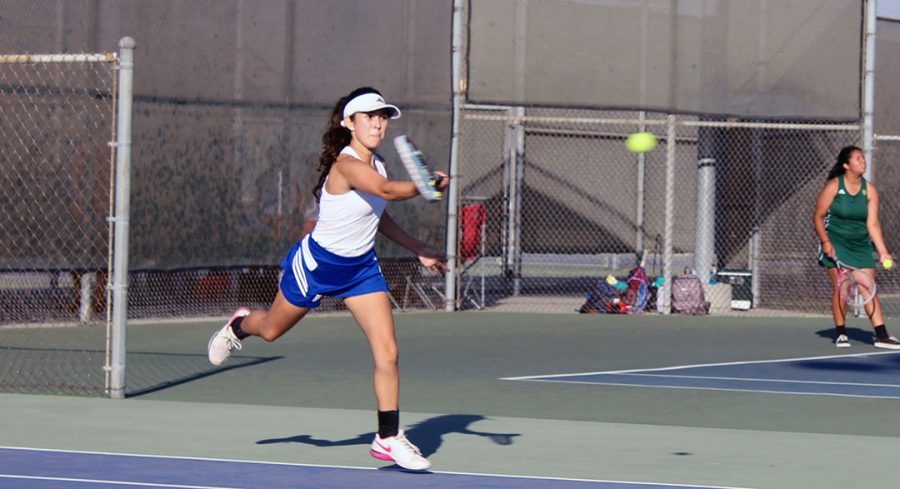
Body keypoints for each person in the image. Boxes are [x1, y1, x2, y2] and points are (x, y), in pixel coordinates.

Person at [207, 87, 449, 471]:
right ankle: (239, 325)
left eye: (383, 116)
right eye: (369, 116)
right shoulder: (346, 164)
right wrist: (424, 186)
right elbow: (387, 191)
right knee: (270, 330)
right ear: (350, 123)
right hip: (317, 267)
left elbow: (378, 211)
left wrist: (417, 246)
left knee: (388, 351)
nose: (378, 123)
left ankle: (387, 438)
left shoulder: (379, 163)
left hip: (361, 270)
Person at [813, 145, 896, 349]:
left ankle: (882, 335)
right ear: (846, 165)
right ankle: (841, 333)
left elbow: (873, 224)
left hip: (860, 245)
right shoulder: (834, 186)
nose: (863, 161)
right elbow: (818, 216)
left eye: (863, 158)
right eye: (858, 158)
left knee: (868, 288)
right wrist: (825, 242)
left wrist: (883, 250)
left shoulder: (870, 190)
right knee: (843, 288)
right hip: (836, 242)